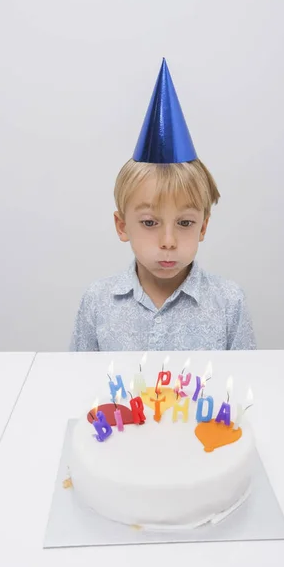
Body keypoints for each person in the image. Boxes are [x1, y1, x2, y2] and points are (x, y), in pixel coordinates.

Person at [70, 59, 256, 352]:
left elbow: (242, 389)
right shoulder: (97, 302)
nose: (168, 242)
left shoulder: (229, 303)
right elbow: (79, 383)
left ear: (203, 226)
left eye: (184, 223)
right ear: (122, 226)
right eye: (149, 222)